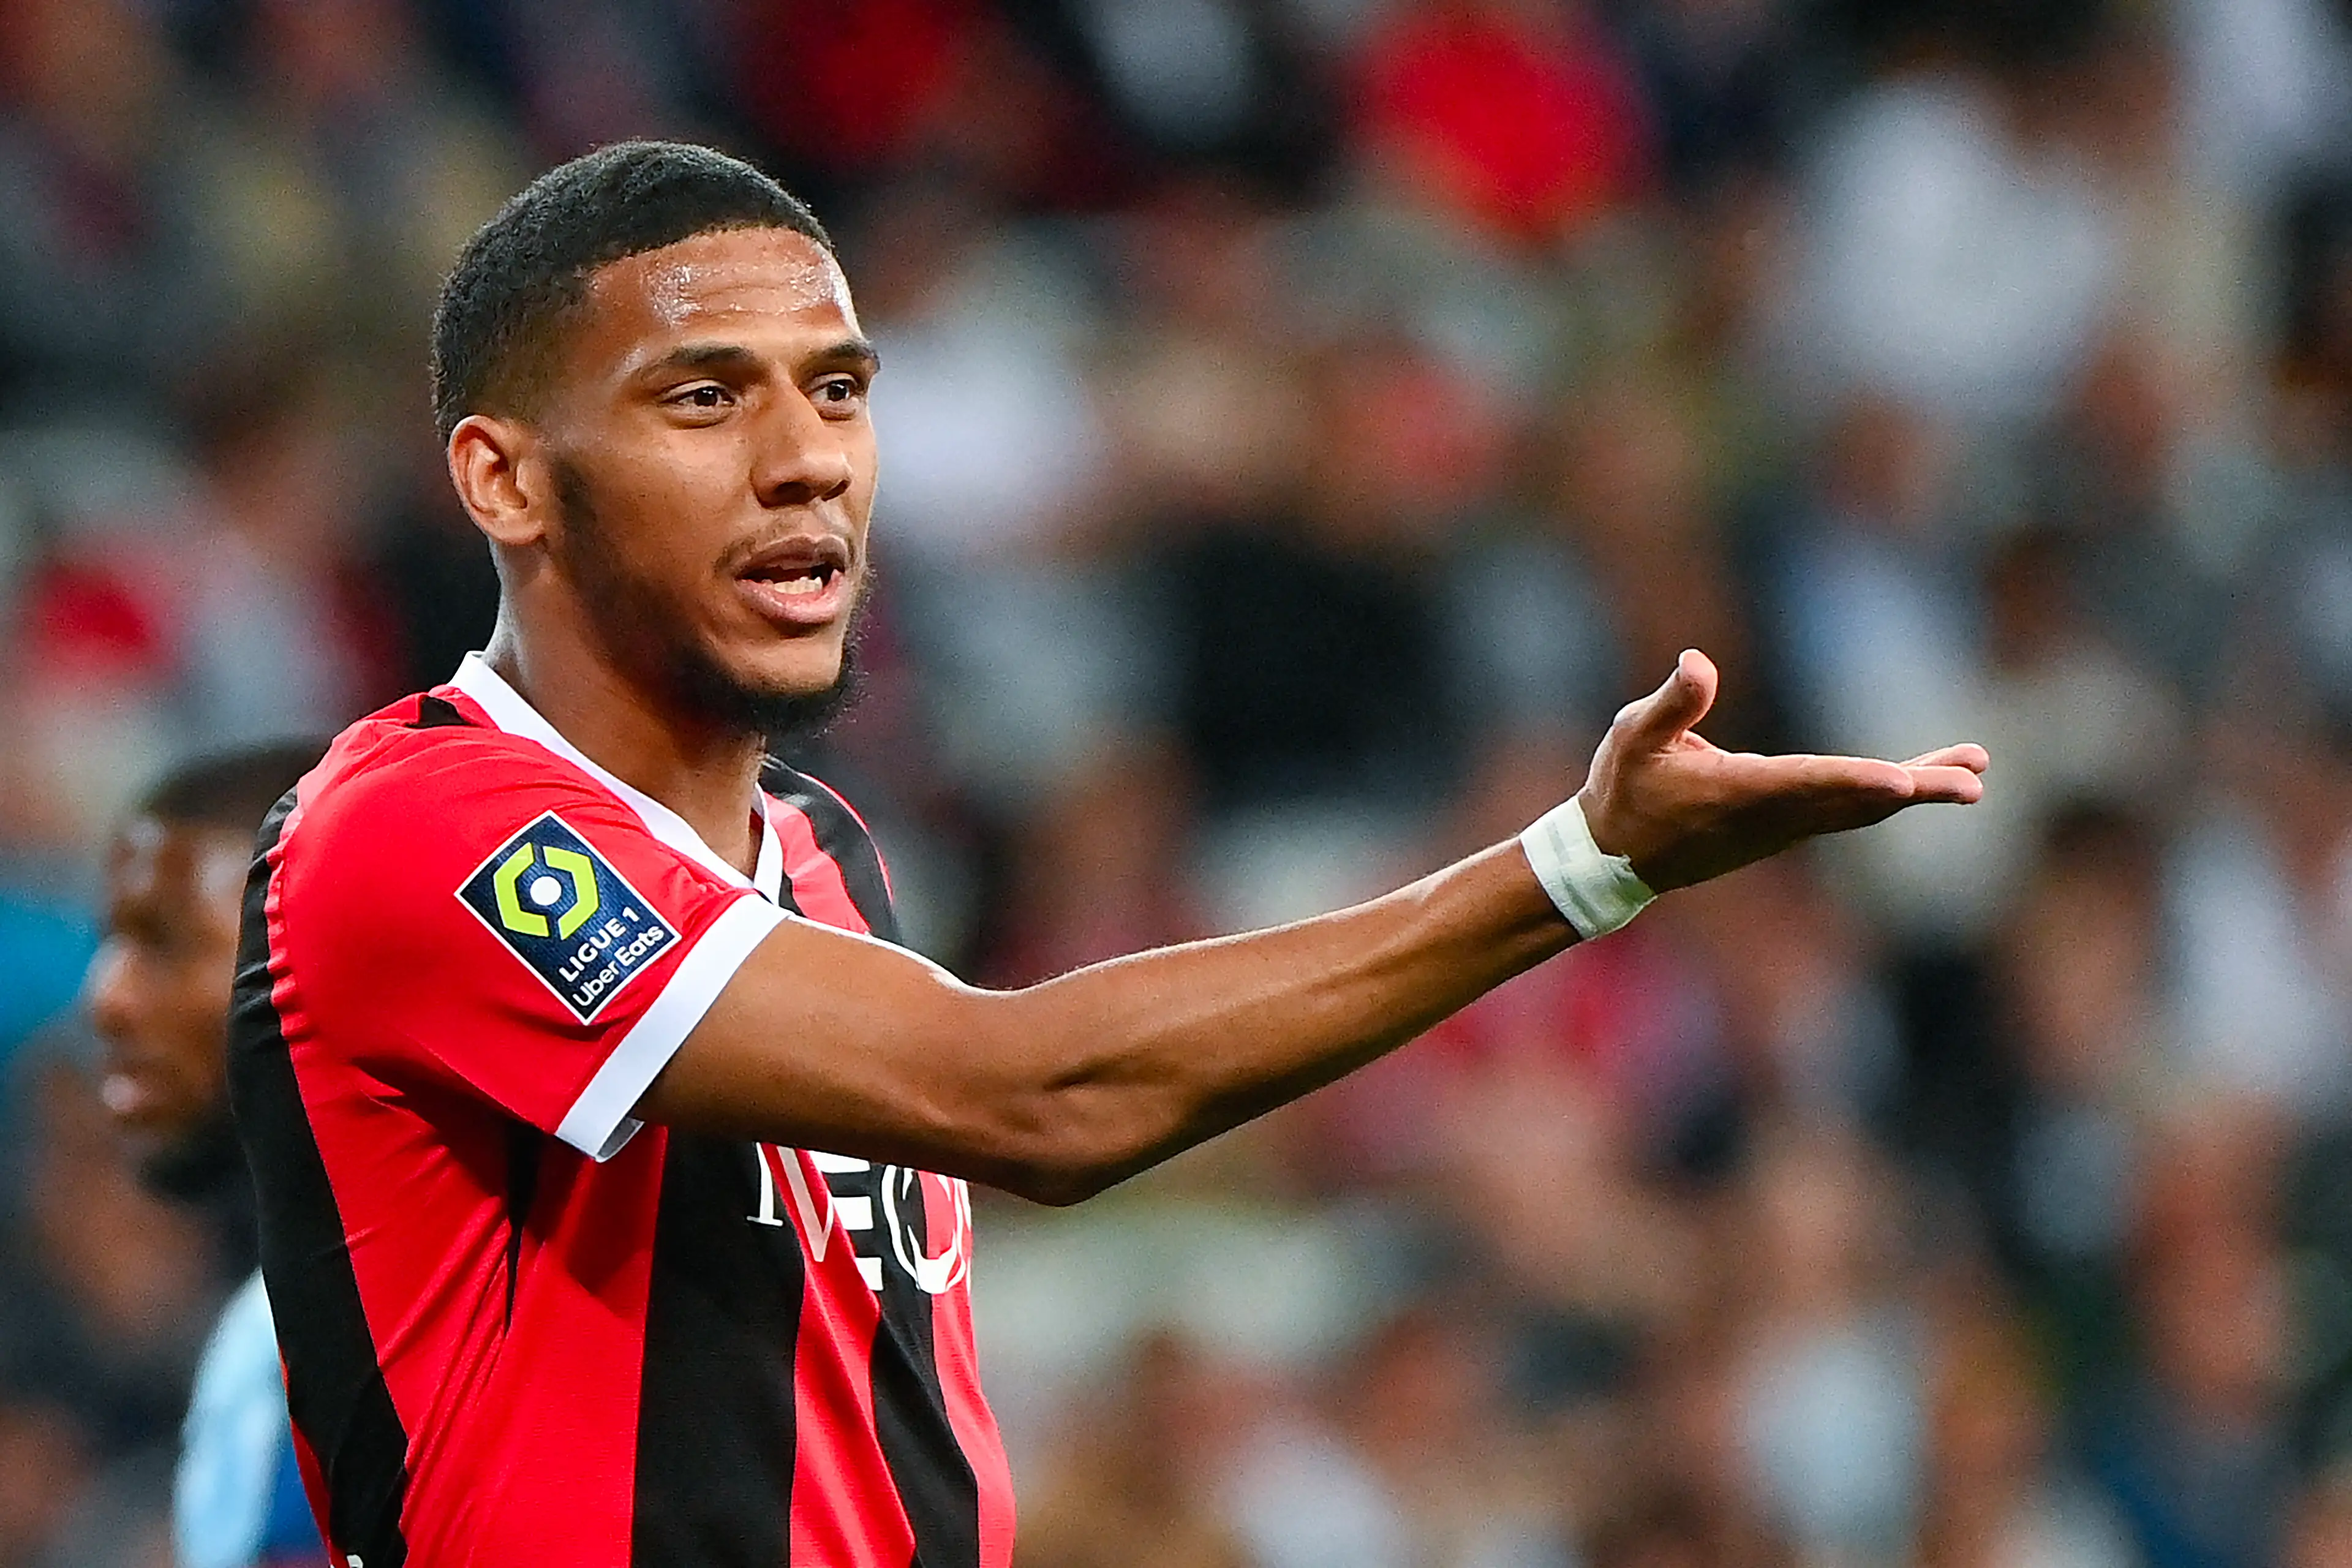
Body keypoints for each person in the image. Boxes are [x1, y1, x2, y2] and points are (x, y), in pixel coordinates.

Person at [225, 140, 1988, 1568]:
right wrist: (1575, 870)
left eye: (838, 391)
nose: (807, 464)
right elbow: (1040, 1102)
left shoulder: (823, 852)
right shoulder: (420, 828)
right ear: (503, 480)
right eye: (707, 401)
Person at [85, 744, 327, 1568]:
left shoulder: (526, 1331)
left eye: (165, 941)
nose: (106, 998)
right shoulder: (260, 1347)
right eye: (111, 940)